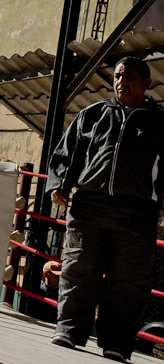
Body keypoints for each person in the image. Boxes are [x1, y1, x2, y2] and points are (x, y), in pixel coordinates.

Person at [46, 56, 164, 362]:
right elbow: (66, 152)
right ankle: (69, 331)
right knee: (79, 270)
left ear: (147, 83)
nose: (122, 82)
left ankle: (117, 344)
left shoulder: (160, 122)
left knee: (129, 281)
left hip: (137, 213)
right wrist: (58, 183)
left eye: (130, 77)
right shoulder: (93, 114)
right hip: (89, 206)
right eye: (118, 77)